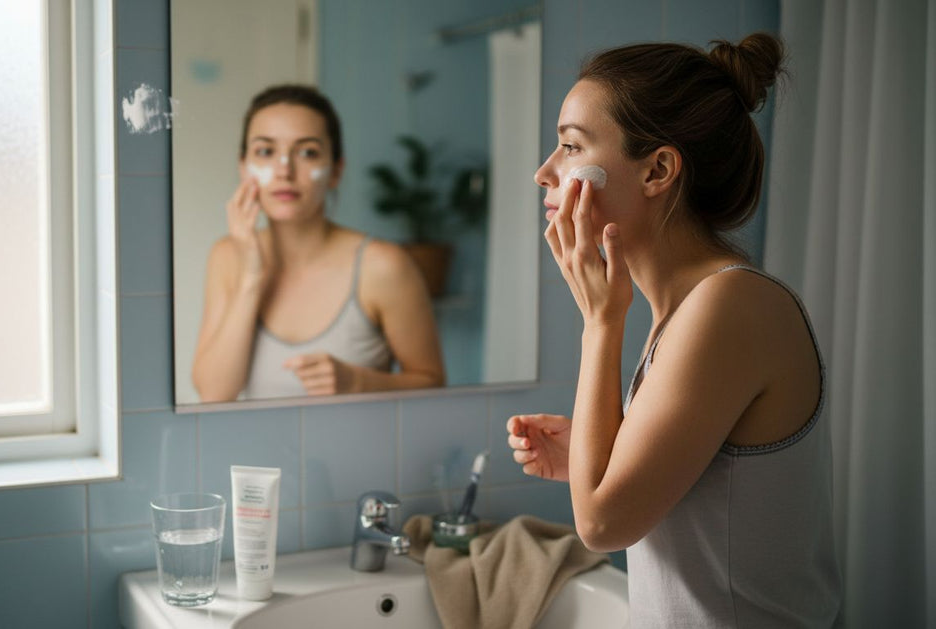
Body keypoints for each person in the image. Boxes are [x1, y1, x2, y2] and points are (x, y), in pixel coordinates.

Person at [506, 34, 842, 627]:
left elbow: (602, 525)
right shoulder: (688, 309)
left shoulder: (731, 304)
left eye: (570, 146)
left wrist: (601, 322)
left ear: (658, 170)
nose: (543, 172)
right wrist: (597, 453)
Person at [192, 84, 445, 402]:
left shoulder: (383, 266)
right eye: (266, 151)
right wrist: (251, 279)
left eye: (307, 152)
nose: (284, 170)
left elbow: (433, 384)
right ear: (243, 167)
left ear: (336, 170)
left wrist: (358, 383)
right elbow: (215, 394)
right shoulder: (227, 256)